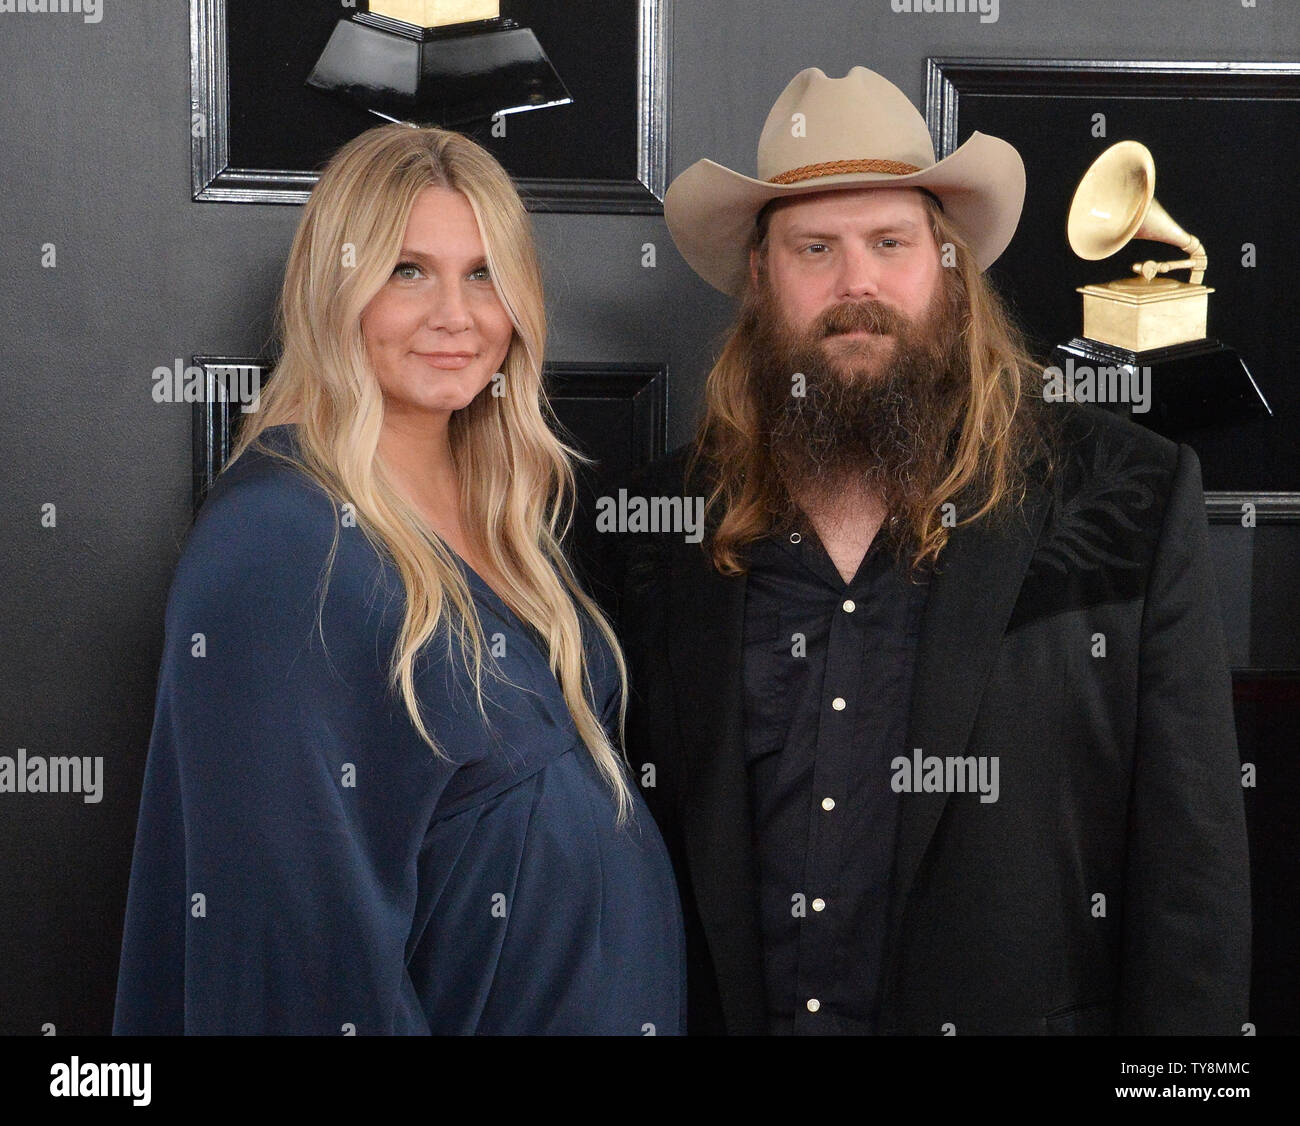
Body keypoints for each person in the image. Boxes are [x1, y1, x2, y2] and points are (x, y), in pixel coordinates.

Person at [577, 67, 1250, 1035]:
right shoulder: (650, 525)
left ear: (946, 264)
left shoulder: (1126, 496)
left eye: (890, 243)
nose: (857, 284)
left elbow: (1194, 878)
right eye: (815, 247)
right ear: (761, 280)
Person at [114, 124, 685, 1035]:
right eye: (407, 270)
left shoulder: (512, 519)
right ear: (334, 290)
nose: (456, 315)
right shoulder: (280, 546)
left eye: (484, 273)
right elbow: (291, 953)